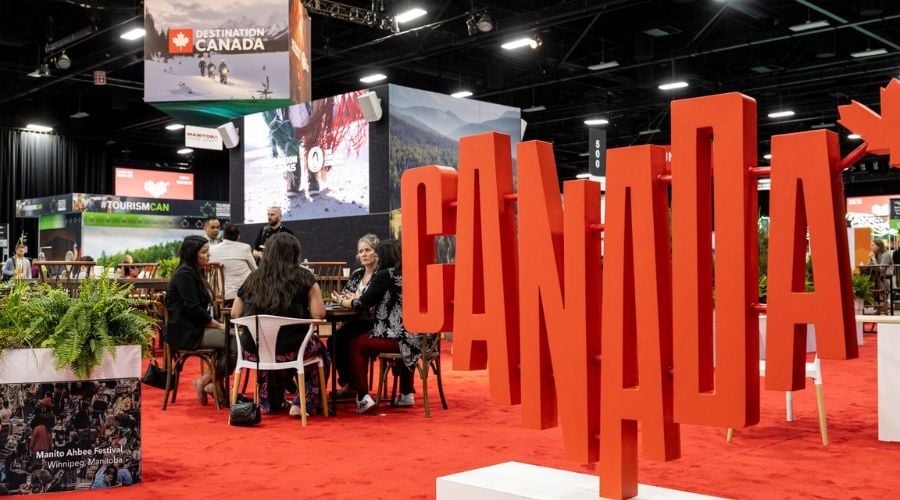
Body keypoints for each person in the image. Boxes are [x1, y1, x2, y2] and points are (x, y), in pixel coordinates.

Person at [231, 232, 328, 416]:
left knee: (269, 347)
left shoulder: (253, 278)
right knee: (320, 352)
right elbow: (319, 313)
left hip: (253, 351)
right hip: (292, 349)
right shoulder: (304, 276)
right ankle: (302, 403)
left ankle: (271, 402)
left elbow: (235, 313)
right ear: (294, 253)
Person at [338, 239, 422, 413]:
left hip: (396, 338)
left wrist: (344, 301)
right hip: (418, 338)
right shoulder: (411, 273)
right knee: (402, 337)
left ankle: (362, 397)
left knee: (356, 344)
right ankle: (406, 393)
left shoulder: (385, 275)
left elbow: (363, 303)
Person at [165, 235, 227, 406]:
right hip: (186, 332)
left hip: (197, 328)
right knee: (234, 341)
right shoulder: (185, 274)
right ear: (193, 254)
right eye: (204, 252)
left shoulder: (195, 272)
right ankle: (205, 381)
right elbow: (193, 309)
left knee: (235, 340)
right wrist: (217, 325)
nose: (208, 255)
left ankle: (211, 382)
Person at [329, 233, 379, 394]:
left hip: (374, 321)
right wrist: (345, 299)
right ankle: (348, 382)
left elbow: (373, 301)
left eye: (367, 250)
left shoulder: (381, 274)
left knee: (342, 339)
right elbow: (346, 295)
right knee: (334, 340)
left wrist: (357, 299)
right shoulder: (357, 273)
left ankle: (353, 384)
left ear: (376, 252)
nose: (364, 254)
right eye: (361, 251)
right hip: (355, 319)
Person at [209, 223, 256, 306]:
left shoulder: (211, 249)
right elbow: (255, 270)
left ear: (223, 236)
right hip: (241, 296)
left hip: (218, 295)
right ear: (238, 237)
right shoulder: (245, 248)